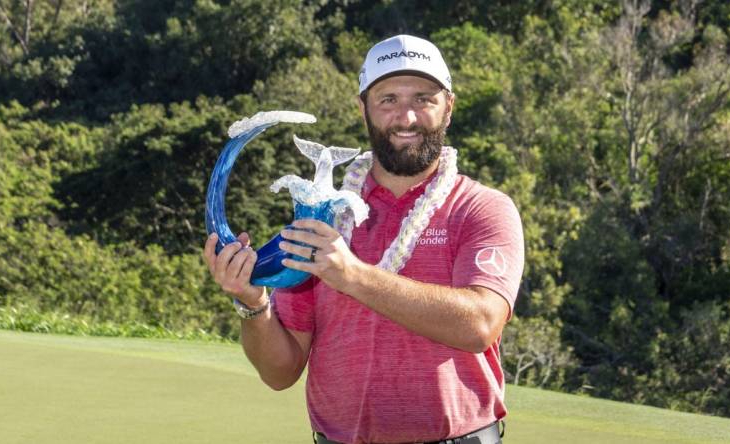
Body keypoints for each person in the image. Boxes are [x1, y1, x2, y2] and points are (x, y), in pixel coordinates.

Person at [203, 34, 524, 444]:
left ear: (449, 108)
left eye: (423, 98)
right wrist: (252, 304)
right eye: (388, 99)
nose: (406, 117)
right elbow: (280, 371)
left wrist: (351, 275)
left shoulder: (481, 208)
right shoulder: (323, 217)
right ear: (363, 109)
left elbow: (480, 325)